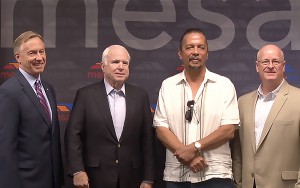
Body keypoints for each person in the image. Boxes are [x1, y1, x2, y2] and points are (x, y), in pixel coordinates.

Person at [153, 28, 240, 188]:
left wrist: (195, 147)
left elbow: (228, 129)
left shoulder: (224, 85)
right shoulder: (168, 85)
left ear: (207, 53)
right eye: (189, 47)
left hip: (215, 174)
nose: (195, 52)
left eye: (201, 47)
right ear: (180, 54)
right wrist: (188, 156)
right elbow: (161, 128)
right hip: (177, 175)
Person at [65, 45, 155, 188]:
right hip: (94, 178)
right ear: (103, 66)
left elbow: (148, 140)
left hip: (132, 178)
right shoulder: (85, 95)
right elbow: (73, 135)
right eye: (115, 62)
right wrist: (77, 170)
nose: (121, 66)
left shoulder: (140, 96)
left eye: (125, 63)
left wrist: (148, 178)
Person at [0, 31, 63, 188]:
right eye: (32, 53)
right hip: (25, 182)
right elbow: (6, 148)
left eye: (42, 51)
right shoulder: (9, 91)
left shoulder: (49, 89)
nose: (39, 57)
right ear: (18, 57)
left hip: (51, 181)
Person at [232, 44, 300, 188]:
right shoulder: (242, 102)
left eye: (275, 61)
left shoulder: (298, 99)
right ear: (257, 66)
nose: (270, 66)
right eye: (265, 61)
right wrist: (238, 182)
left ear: (284, 65)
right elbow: (237, 149)